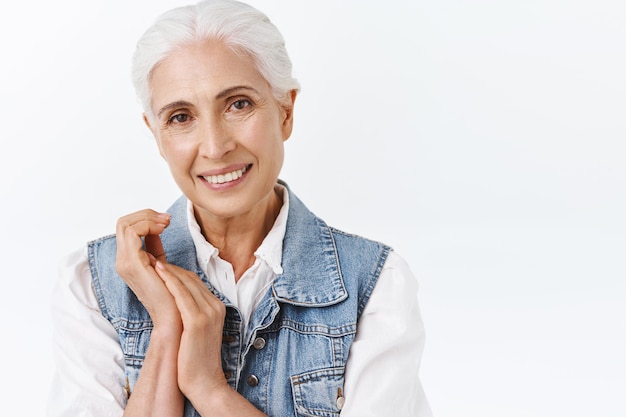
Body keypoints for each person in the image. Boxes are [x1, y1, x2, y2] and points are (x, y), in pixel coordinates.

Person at [48, 1, 431, 416]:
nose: (215, 147)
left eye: (238, 104)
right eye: (180, 117)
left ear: (285, 111)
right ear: (156, 135)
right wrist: (167, 331)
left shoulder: (374, 286)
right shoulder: (92, 287)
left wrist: (207, 388)